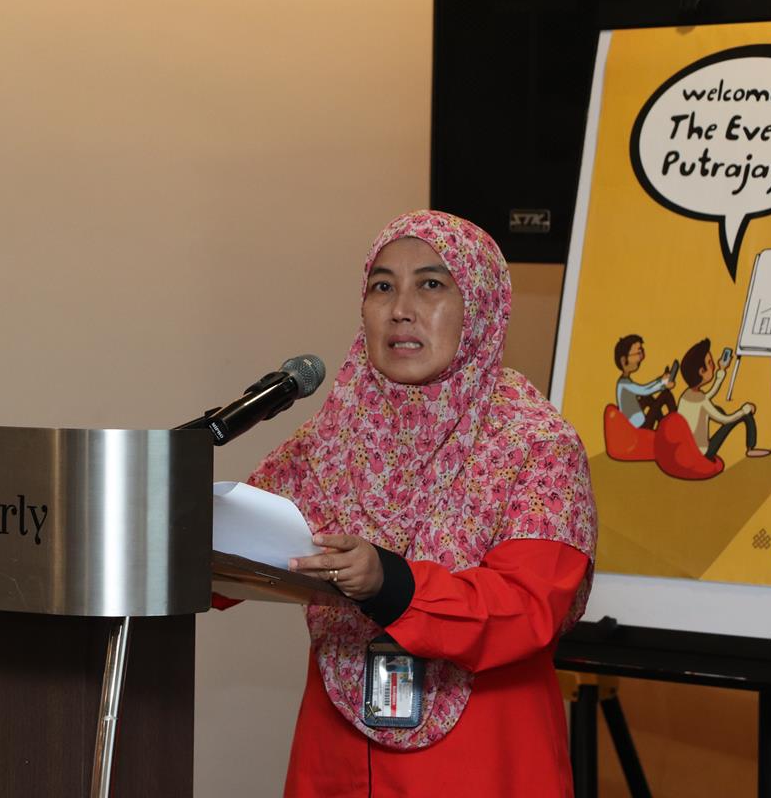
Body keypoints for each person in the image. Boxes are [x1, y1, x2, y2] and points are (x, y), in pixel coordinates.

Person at [248, 210, 597, 797]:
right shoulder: (330, 439)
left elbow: (529, 607)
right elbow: (237, 541)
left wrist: (392, 583)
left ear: (480, 306)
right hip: (338, 761)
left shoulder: (536, 445)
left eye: (431, 284)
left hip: (482, 764)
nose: (400, 309)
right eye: (382, 287)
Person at [677, 338, 771, 460]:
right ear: (701, 371)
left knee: (717, 408)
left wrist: (722, 369)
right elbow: (725, 420)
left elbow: (708, 395)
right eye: (710, 363)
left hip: (687, 449)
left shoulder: (686, 395)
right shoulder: (701, 401)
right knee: (744, 415)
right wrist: (744, 409)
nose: (713, 365)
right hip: (703, 453)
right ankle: (751, 448)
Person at [613, 334, 676, 429]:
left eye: (641, 352)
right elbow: (644, 390)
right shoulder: (624, 384)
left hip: (636, 421)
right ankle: (673, 426)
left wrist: (661, 380)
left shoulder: (623, 381)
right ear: (623, 360)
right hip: (639, 427)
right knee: (665, 395)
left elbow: (645, 391)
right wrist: (662, 384)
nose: (641, 357)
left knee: (647, 398)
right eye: (637, 353)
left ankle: (662, 423)